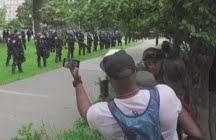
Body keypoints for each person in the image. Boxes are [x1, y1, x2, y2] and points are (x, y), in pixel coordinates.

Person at [68, 50, 201, 140]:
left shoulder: (103, 113)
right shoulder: (165, 93)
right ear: (136, 70)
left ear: (109, 80)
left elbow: (85, 111)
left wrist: (77, 81)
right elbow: (195, 134)